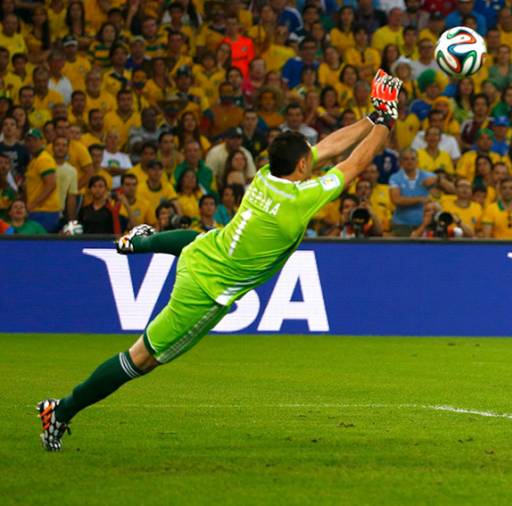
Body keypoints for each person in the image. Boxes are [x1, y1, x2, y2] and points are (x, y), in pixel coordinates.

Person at [36, 70, 404, 451]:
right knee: (142, 358)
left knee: (202, 238)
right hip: (206, 290)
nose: (312, 161)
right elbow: (353, 164)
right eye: (307, 161)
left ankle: (141, 242)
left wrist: (372, 117)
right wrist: (388, 120)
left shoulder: (265, 176)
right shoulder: (297, 200)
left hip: (207, 249)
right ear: (300, 168)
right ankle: (60, 411)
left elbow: (327, 148)